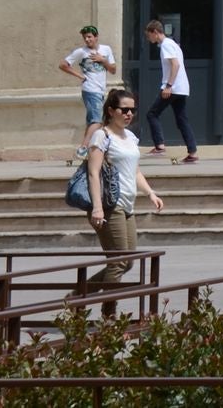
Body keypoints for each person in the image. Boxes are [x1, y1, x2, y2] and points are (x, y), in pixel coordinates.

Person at [82, 89, 163, 315]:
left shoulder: (130, 137)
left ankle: (78, 296)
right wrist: (97, 207)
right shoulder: (102, 136)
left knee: (127, 262)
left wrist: (150, 193)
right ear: (111, 110)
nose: (129, 114)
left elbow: (135, 171)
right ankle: (109, 316)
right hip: (109, 205)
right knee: (118, 262)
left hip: (128, 204)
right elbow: (93, 172)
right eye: (124, 109)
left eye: (133, 110)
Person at [141, 20, 198, 163]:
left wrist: (168, 85)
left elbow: (175, 64)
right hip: (182, 88)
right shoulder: (173, 44)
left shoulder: (166, 45)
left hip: (173, 87)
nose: (149, 39)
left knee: (152, 114)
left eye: (149, 36)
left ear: (155, 32)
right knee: (181, 119)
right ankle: (193, 152)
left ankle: (159, 146)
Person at [58, 25, 117, 159]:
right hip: (90, 89)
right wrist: (79, 76)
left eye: (89, 37)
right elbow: (63, 65)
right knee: (97, 120)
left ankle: (91, 149)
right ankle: (83, 148)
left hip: (101, 89)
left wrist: (103, 60)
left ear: (96, 37)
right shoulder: (81, 52)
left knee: (93, 121)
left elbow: (113, 69)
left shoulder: (106, 49)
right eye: (85, 37)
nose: (87, 40)